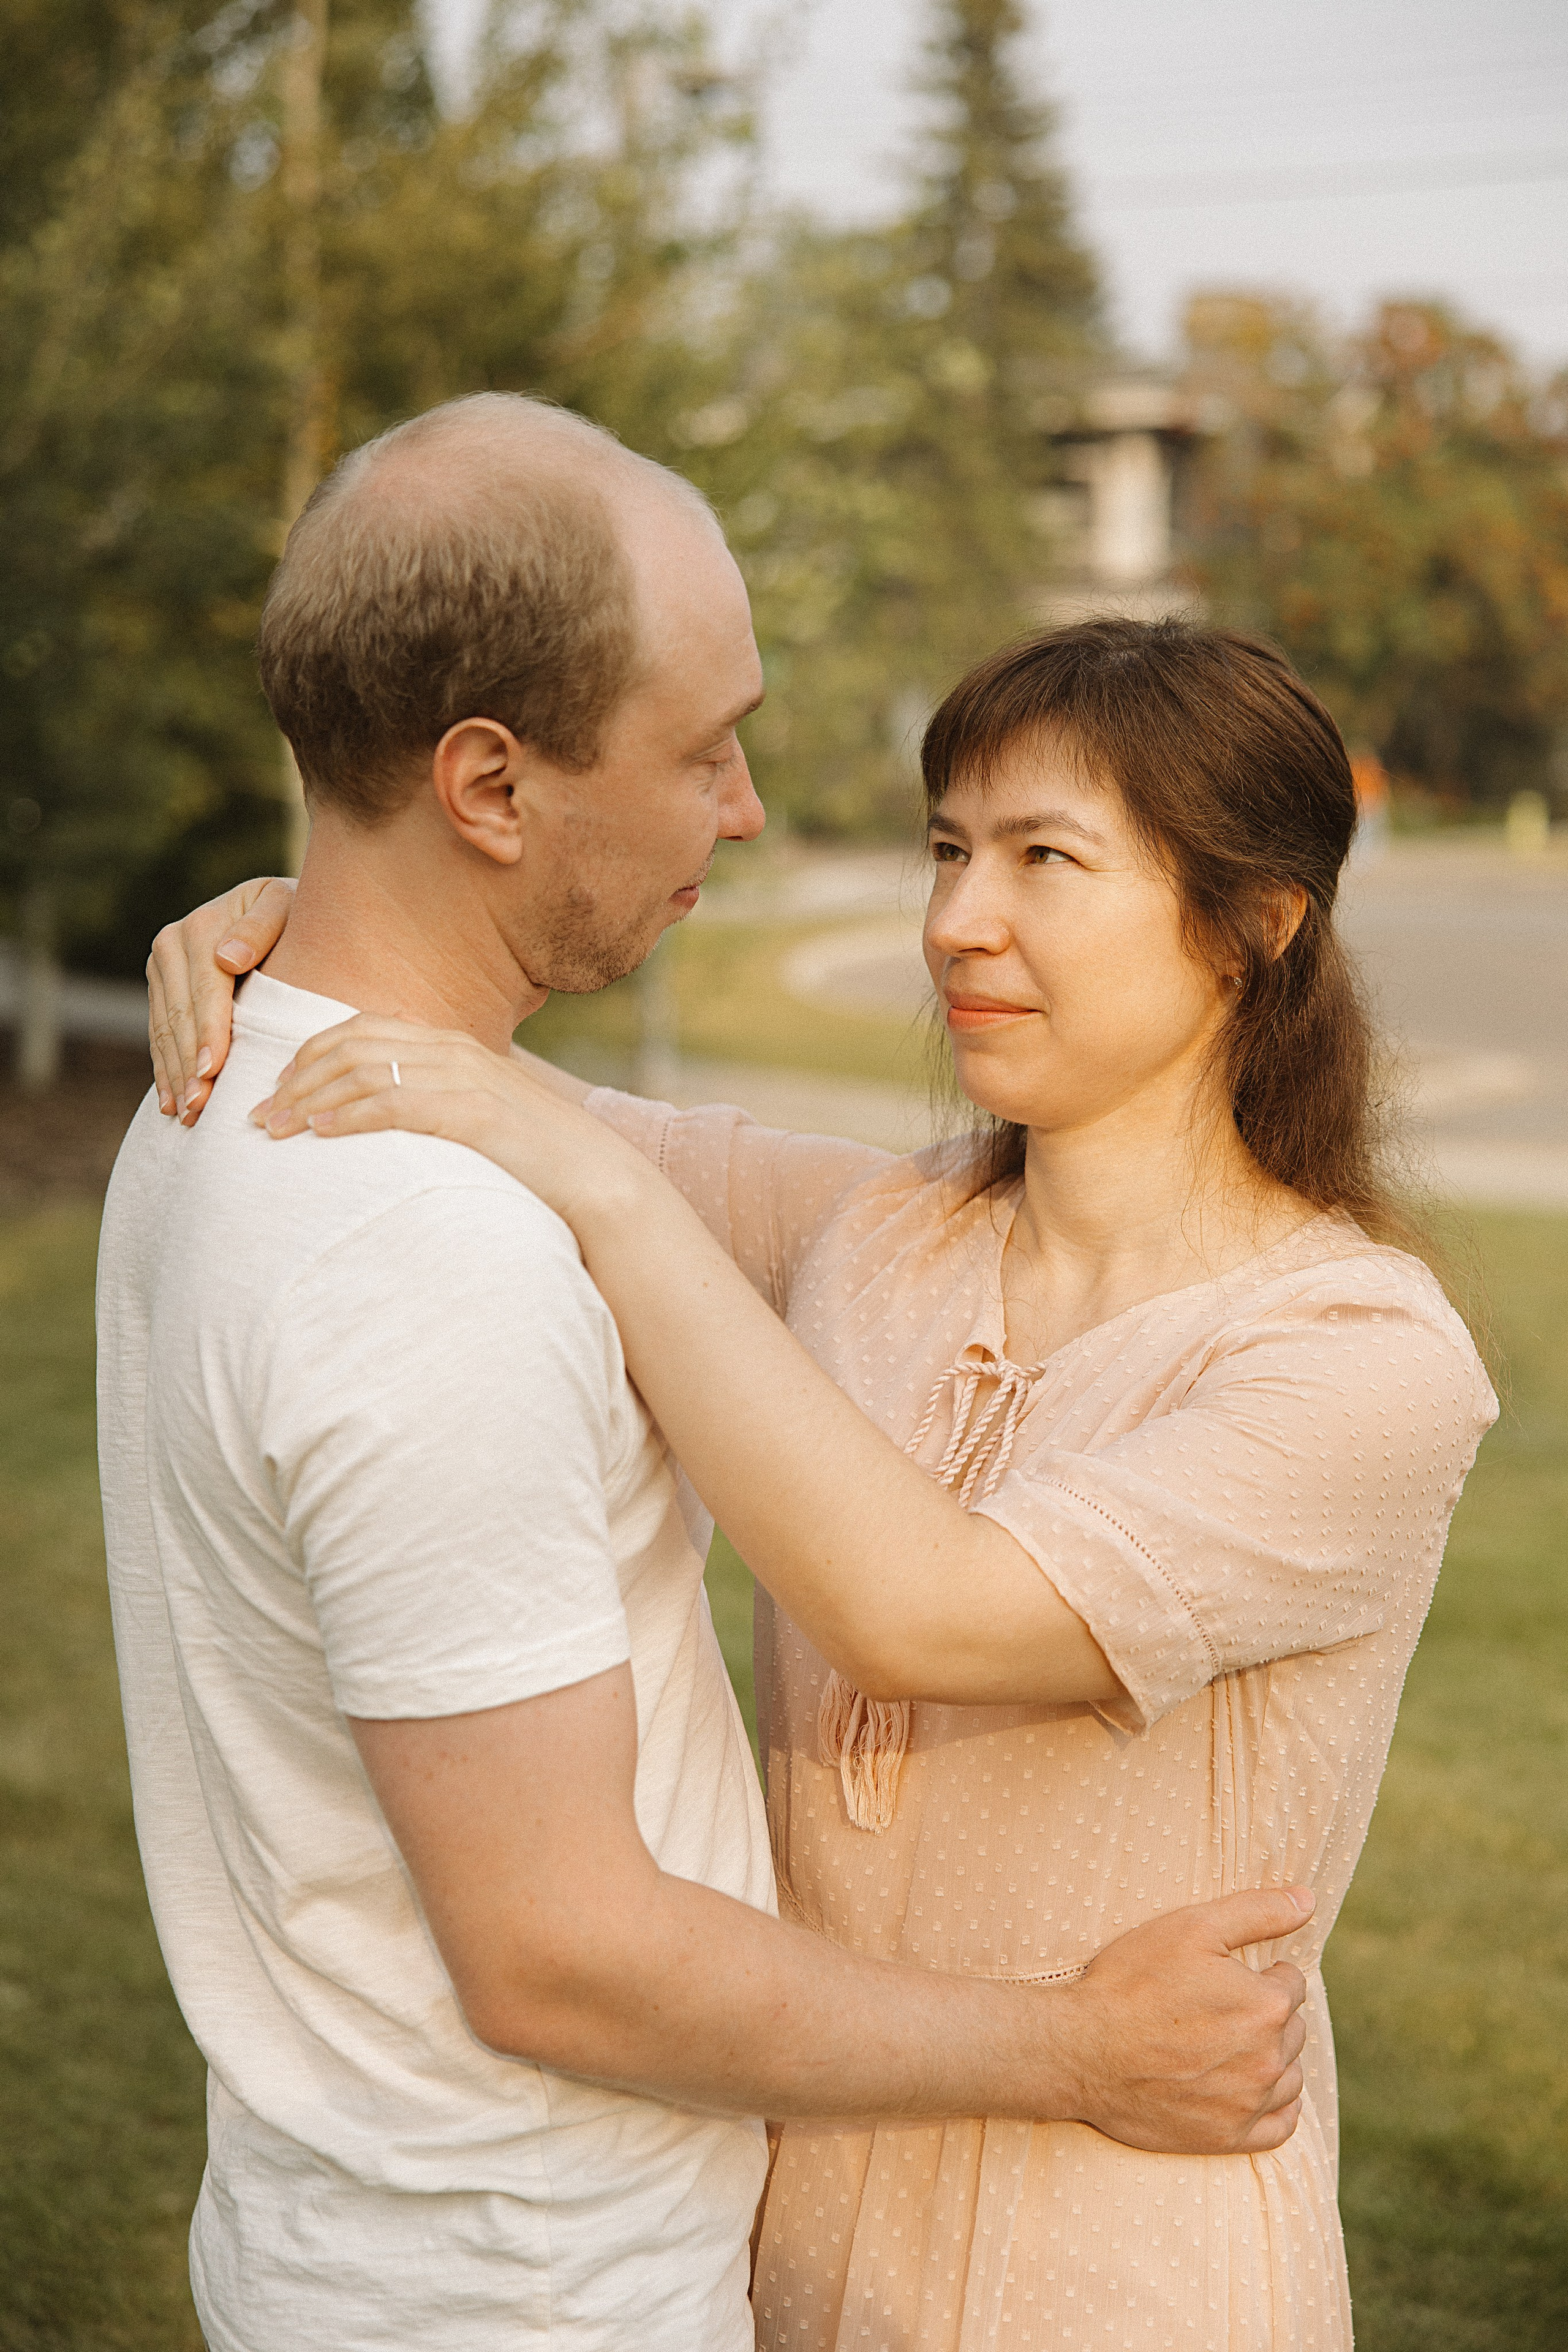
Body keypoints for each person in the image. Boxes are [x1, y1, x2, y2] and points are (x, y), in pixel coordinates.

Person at [106, 400, 1314, 2352]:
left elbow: (775, 1195)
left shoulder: (232, 1081)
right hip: (518, 2291)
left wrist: (286, 930)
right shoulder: (428, 1247)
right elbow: (563, 1956)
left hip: (375, 2243)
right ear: (488, 785)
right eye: (701, 749)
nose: (743, 810)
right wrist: (1080, 2048)